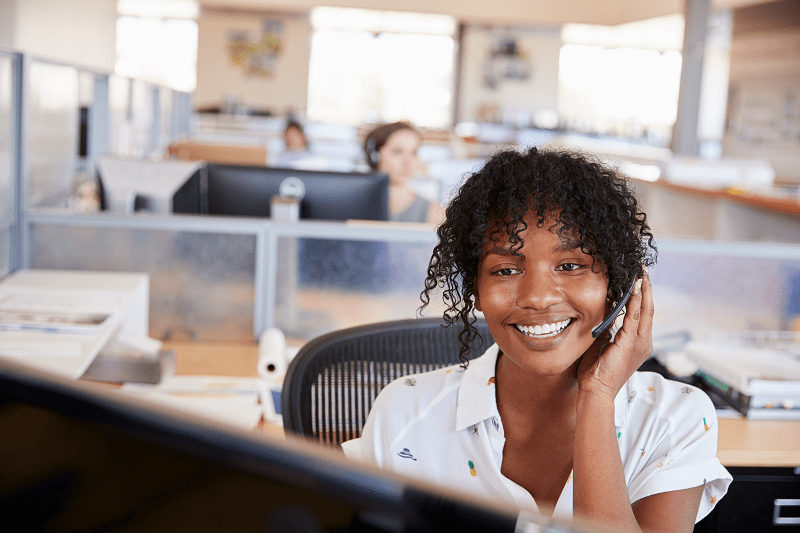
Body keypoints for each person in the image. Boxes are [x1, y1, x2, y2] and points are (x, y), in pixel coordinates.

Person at [342, 147, 731, 532]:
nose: (537, 297)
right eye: (506, 269)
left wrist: (597, 398)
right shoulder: (406, 412)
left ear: (619, 285)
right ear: (475, 288)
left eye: (570, 265)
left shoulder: (673, 418)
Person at [364, 122, 443, 223]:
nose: (408, 161)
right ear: (375, 157)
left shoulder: (435, 213)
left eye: (414, 153)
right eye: (397, 151)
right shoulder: (352, 205)